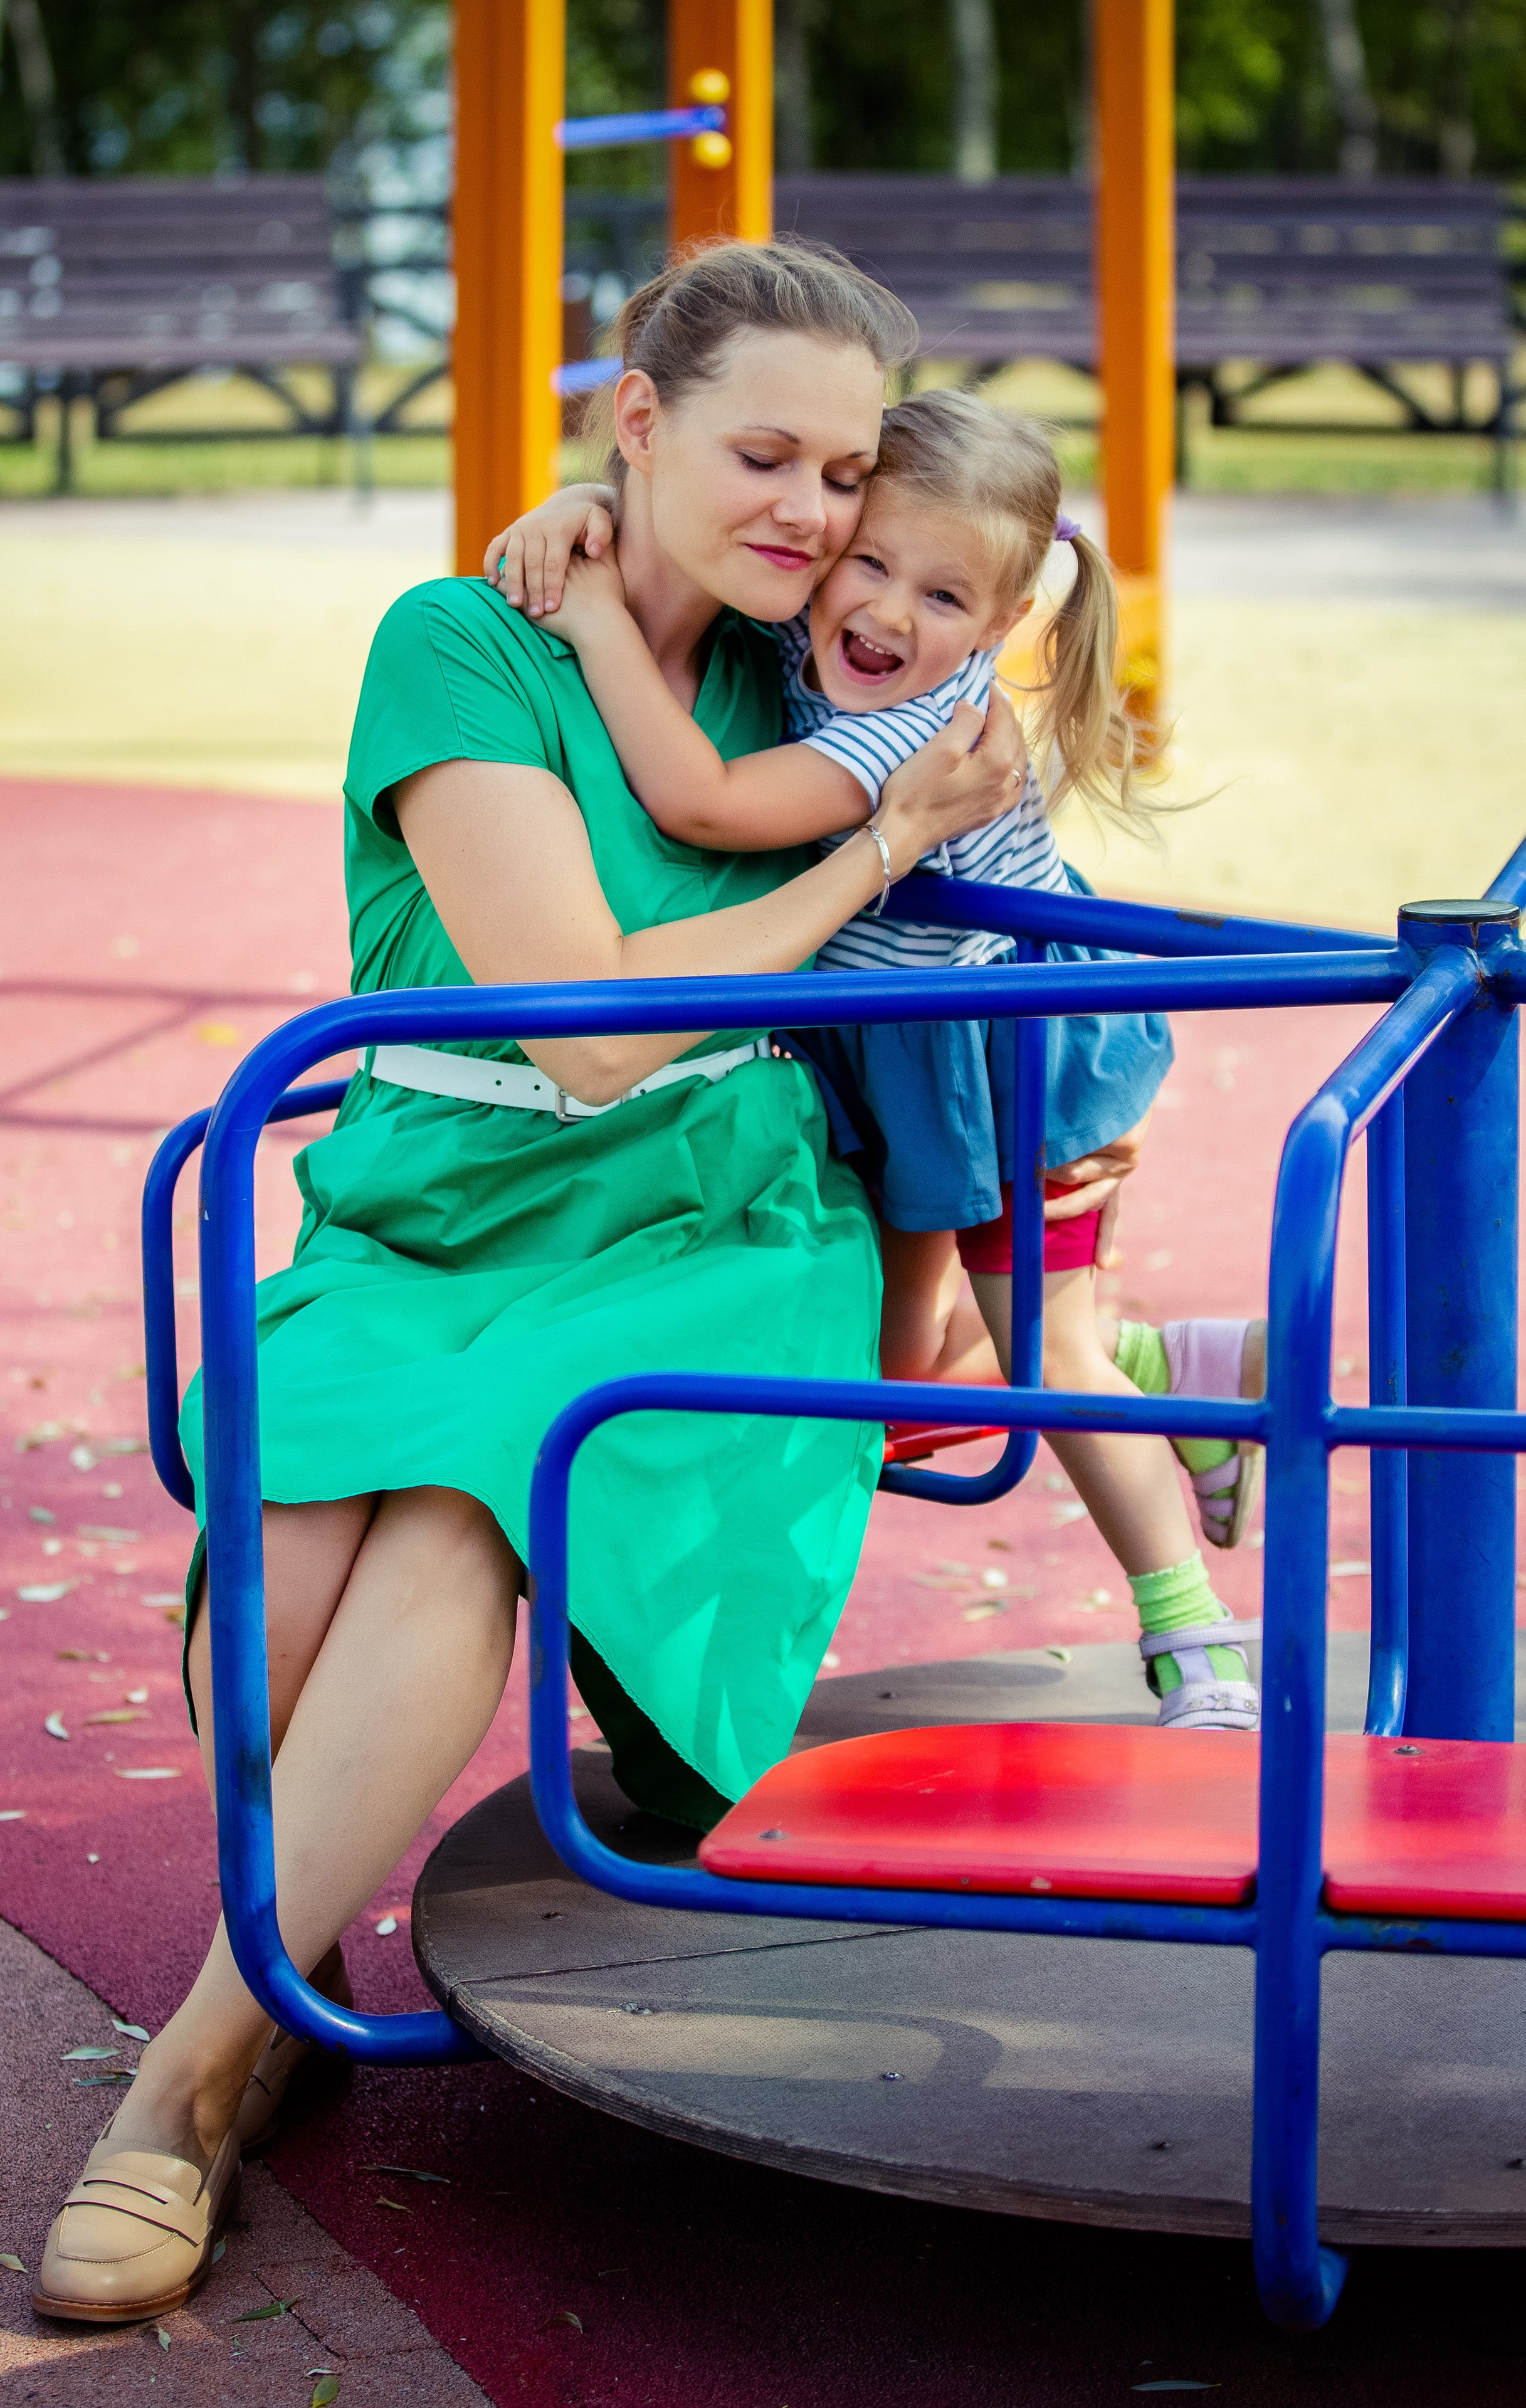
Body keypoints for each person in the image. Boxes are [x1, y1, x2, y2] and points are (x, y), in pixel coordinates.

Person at [30, 238, 1033, 2327]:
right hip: (441, 1209)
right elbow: (578, 1024)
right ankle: (282, 1964)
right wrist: (853, 859)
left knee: (483, 1503)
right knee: (290, 1585)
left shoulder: (811, 661)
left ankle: (186, 2088)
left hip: (703, 1231)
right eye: (763, 452)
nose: (815, 515)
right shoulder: (467, 642)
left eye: (844, 470)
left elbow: (995, 642)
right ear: (636, 426)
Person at [488, 386, 1264, 1740]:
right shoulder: (802, 628)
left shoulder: (912, 728)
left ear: (1005, 625)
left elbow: (705, 801)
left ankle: (1192, 1637)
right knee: (897, 1363)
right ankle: (1166, 1369)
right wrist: (583, 513)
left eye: (947, 598)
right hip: (879, 1056)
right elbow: (697, 533)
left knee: (1031, 1348)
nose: (894, 614)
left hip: (996, 1058)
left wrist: (593, 613)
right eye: (873, 564)